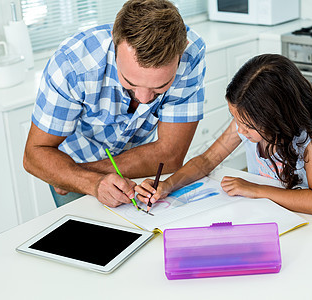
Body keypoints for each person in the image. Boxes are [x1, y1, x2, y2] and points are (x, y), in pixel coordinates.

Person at [23, 0, 206, 208]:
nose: (144, 99)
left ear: (180, 54)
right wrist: (85, 181)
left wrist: (85, 173)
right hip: (74, 166)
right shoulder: (72, 64)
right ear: (115, 43)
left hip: (133, 168)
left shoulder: (191, 56)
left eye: (160, 87)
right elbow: (34, 154)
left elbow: (171, 153)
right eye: (130, 82)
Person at [135, 54, 312, 215]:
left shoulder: (310, 138)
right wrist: (167, 185)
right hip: (262, 215)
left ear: (278, 119)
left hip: (302, 223)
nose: (240, 130)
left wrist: (257, 190)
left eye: (247, 125)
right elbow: (206, 161)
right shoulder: (246, 125)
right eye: (236, 119)